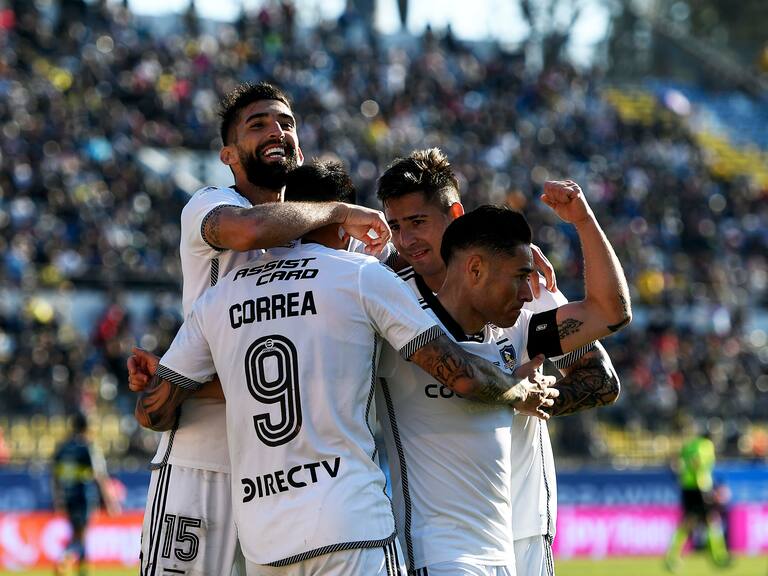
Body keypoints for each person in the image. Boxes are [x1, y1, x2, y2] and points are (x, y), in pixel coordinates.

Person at [132, 161, 554, 576]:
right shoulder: (359, 276)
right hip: (350, 525)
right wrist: (518, 391)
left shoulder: (221, 296)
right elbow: (458, 373)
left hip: (265, 539)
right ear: (341, 222)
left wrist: (181, 379)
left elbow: (153, 412)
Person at [129, 81, 393, 576]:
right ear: (228, 154)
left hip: (284, 482)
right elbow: (250, 229)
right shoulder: (209, 203)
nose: (277, 131)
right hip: (203, 463)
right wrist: (340, 209)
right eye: (258, 125)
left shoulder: (318, 241)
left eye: (286, 124)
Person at [376, 149, 626, 576]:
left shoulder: (520, 293)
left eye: (418, 222)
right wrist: (510, 392)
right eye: (396, 226)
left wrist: (532, 396)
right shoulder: (386, 297)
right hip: (440, 539)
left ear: (455, 215)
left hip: (524, 521)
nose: (407, 239)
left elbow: (601, 373)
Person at [51, 411, 119, 576]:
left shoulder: (63, 448)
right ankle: (65, 557)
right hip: (84, 496)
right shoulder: (88, 447)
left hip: (68, 497)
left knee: (78, 534)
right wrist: (110, 502)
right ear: (87, 427)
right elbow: (100, 476)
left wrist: (58, 499)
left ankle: (82, 571)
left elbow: (55, 476)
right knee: (81, 536)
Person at [664, 430, 731, 572]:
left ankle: (672, 557)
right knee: (712, 519)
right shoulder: (705, 445)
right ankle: (719, 556)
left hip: (686, 487)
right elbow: (698, 463)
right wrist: (705, 487)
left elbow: (677, 462)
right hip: (700, 487)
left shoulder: (689, 445)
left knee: (688, 522)